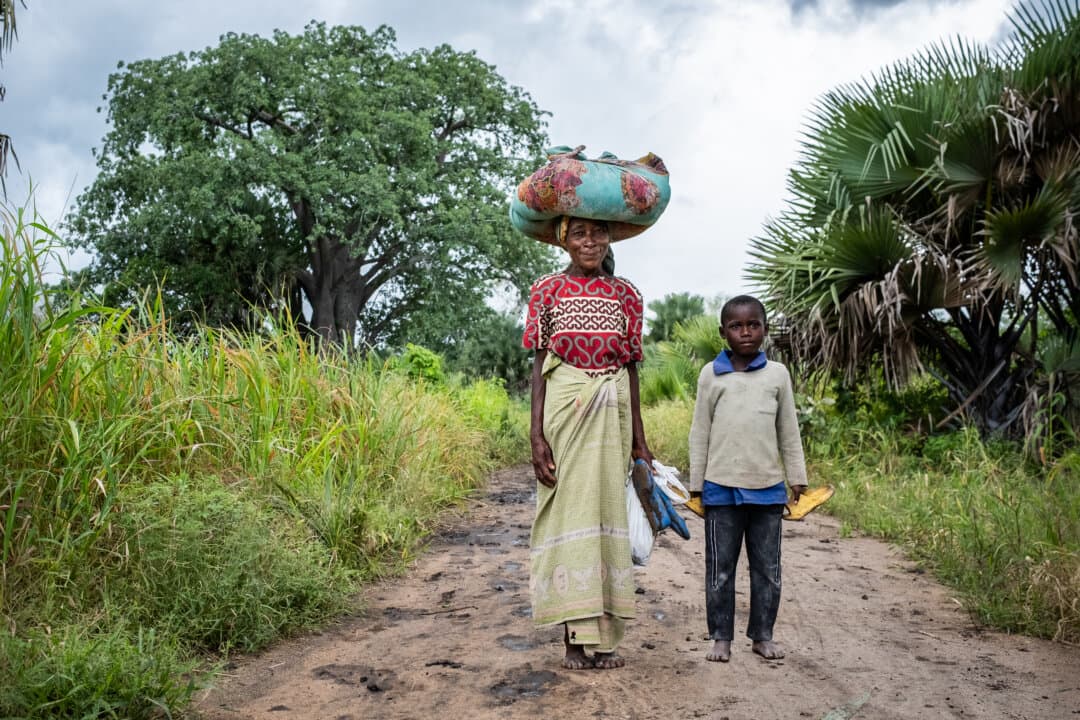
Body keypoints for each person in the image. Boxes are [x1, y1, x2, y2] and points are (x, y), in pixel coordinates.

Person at [522, 215, 654, 670]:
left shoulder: (627, 295)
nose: (590, 242)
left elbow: (632, 367)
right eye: (579, 233)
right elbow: (540, 365)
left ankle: (606, 638)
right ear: (564, 240)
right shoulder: (546, 291)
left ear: (610, 237)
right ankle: (573, 639)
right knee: (569, 515)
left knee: (605, 515)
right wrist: (536, 434)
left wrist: (640, 440)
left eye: (598, 233)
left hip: (612, 414)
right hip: (565, 413)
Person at [687, 295, 807, 662]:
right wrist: (696, 485)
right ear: (723, 332)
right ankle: (720, 636)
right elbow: (700, 431)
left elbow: (788, 429)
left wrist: (796, 477)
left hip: (768, 490)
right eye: (736, 326)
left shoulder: (778, 375)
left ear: (765, 329)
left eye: (753, 324)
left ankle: (762, 635)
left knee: (767, 570)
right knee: (720, 569)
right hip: (720, 489)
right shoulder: (711, 374)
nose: (745, 332)